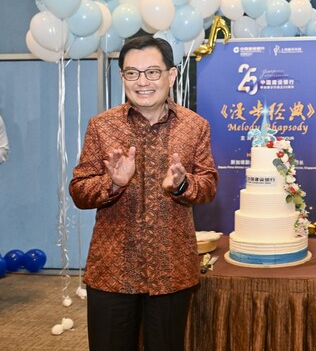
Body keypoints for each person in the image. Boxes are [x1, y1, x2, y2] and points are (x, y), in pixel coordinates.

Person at [69, 36, 218, 351]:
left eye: (152, 72)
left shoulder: (195, 126)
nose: (142, 82)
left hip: (171, 270)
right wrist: (112, 184)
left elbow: (208, 185)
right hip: (112, 270)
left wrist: (182, 185)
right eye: (132, 73)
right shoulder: (102, 126)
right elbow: (79, 191)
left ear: (171, 75)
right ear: (123, 77)